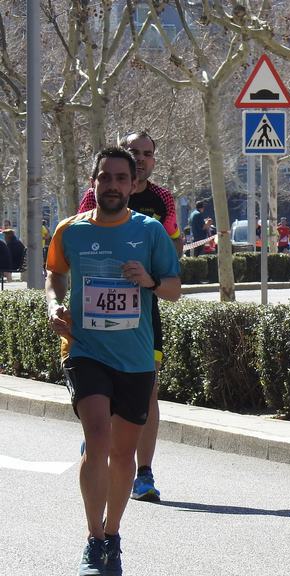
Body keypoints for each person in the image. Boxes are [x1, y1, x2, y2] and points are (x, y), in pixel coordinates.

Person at [46, 147, 181, 576]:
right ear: (93, 181)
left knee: (123, 454)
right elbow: (55, 273)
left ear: (132, 183)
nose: (112, 186)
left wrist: (151, 281)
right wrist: (54, 304)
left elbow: (175, 289)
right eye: (104, 178)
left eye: (121, 179)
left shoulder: (150, 231)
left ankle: (113, 534)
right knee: (97, 437)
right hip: (85, 350)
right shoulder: (71, 231)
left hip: (135, 357)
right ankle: (92, 539)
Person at [79, 130, 183, 503]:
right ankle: (98, 435)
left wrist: (157, 272)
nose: (140, 159)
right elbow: (79, 240)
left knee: (149, 391)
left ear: (154, 160)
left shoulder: (161, 200)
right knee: (100, 392)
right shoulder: (97, 193)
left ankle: (144, 472)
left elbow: (175, 244)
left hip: (143, 310)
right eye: (132, 152)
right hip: (94, 313)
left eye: (147, 153)